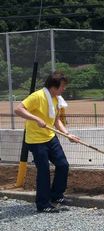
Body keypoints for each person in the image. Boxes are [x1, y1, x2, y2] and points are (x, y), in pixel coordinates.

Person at [15, 72, 80, 213]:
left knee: (63, 165)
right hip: (36, 141)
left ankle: (56, 196)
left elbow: (56, 120)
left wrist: (68, 134)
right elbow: (18, 109)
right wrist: (36, 118)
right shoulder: (37, 96)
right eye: (62, 86)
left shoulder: (56, 99)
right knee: (44, 171)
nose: (64, 89)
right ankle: (43, 204)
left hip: (50, 137)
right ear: (53, 86)